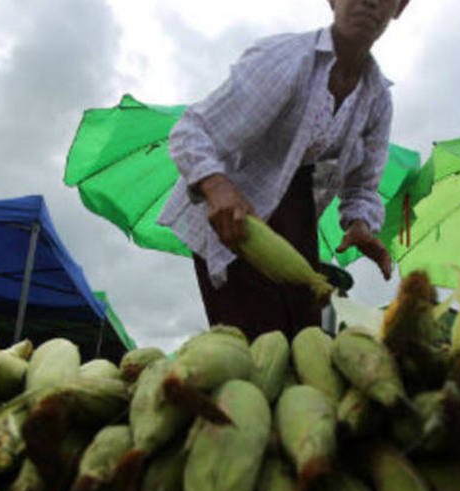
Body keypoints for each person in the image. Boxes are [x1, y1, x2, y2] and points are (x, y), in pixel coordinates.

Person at [158, 0, 409, 341]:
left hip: (295, 216)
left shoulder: (377, 99)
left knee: (303, 336)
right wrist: (216, 186)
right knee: (255, 342)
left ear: (400, 7)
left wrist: (361, 225)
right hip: (233, 215)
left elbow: (363, 186)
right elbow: (192, 131)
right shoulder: (288, 59)